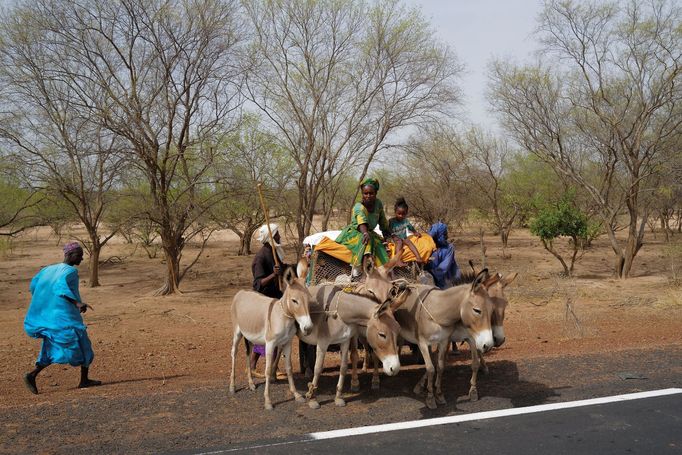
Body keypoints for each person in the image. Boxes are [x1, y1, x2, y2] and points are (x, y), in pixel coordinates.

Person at [23, 242, 101, 394]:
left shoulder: (47, 269)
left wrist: (46, 302)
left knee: (51, 346)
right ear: (69, 255)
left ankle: (33, 374)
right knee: (84, 344)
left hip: (49, 317)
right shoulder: (70, 271)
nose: (81, 259)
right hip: (65, 317)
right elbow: (60, 288)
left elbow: (34, 286)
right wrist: (77, 303)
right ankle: (84, 380)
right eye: (79, 255)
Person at [250, 223, 287, 380]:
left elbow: (283, 269)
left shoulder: (274, 253)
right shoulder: (260, 257)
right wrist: (273, 275)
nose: (279, 236)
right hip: (265, 301)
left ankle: (267, 366)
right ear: (270, 237)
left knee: (273, 335)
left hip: (275, 298)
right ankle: (258, 367)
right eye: (277, 234)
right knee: (268, 336)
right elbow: (258, 283)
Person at [334, 178, 392, 278]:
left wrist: (387, 234)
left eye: (371, 193)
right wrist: (365, 233)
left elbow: (382, 220)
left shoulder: (378, 204)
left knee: (381, 247)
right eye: (365, 193)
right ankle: (357, 269)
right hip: (355, 233)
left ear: (376, 193)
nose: (368, 196)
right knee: (366, 242)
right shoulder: (359, 207)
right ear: (362, 194)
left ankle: (385, 271)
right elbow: (362, 223)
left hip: (369, 232)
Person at [388, 197, 424, 267]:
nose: (401, 216)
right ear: (395, 212)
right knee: (399, 243)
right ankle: (398, 260)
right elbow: (389, 230)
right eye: (399, 214)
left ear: (406, 213)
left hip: (403, 237)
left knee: (409, 242)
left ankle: (418, 257)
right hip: (395, 237)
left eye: (403, 214)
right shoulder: (391, 221)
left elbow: (411, 228)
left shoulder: (405, 221)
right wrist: (393, 236)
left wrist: (415, 232)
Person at [425, 221, 462, 289]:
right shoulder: (427, 247)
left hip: (446, 280)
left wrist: (432, 275)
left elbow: (444, 267)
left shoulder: (449, 248)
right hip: (430, 280)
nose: (446, 236)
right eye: (444, 234)